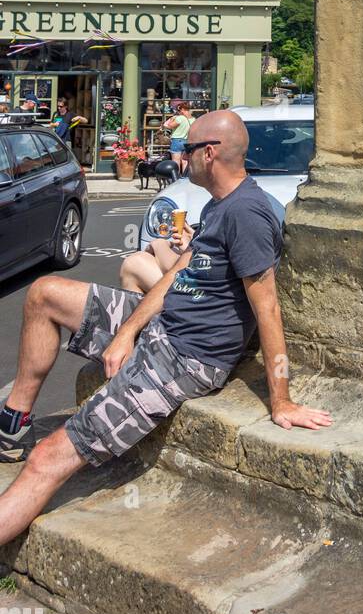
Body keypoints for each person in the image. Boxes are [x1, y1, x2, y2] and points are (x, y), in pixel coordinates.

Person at [0, 109, 333, 545]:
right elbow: (178, 273)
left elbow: (268, 310)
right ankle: (13, 422)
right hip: (162, 325)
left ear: (209, 153)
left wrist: (282, 399)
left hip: (185, 356)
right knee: (45, 293)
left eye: (186, 148)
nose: (179, 156)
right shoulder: (219, 204)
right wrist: (126, 332)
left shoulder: (247, 214)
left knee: (48, 458)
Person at [164, 99, 192, 173]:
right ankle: (185, 178)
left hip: (177, 141)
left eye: (178, 110)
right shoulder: (193, 119)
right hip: (186, 141)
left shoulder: (179, 118)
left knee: (176, 162)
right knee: (185, 161)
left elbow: (169, 126)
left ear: (182, 110)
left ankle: (176, 180)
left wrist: (171, 119)